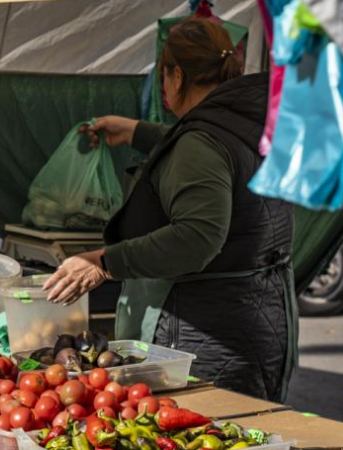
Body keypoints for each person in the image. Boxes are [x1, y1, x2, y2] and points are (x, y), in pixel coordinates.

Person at [43, 19, 296, 402]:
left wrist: (103, 261)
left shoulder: (202, 143)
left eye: (163, 76)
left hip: (207, 337)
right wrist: (136, 131)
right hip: (264, 321)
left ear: (177, 76)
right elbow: (212, 155)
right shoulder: (255, 119)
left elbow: (197, 237)